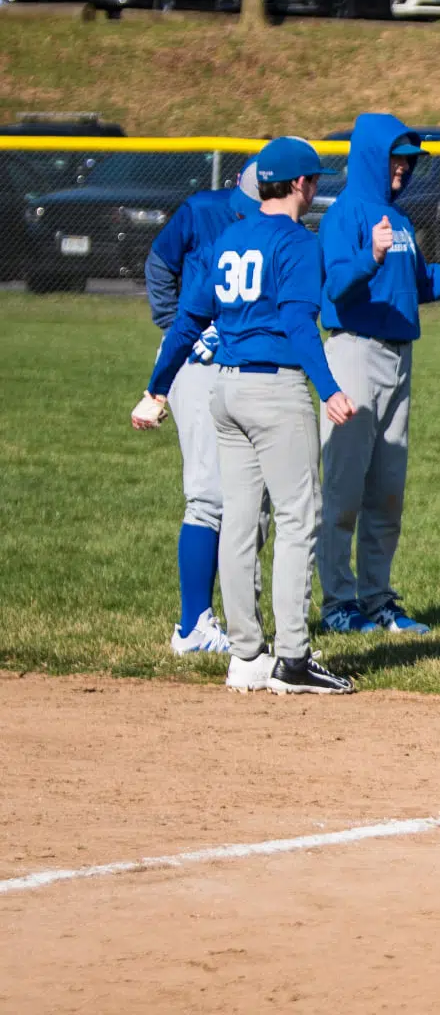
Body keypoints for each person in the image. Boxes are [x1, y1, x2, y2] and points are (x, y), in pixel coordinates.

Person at [133, 137, 358, 696]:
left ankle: (245, 655)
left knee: (238, 521)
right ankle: (293, 660)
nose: (316, 189)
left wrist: (156, 390)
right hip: (274, 390)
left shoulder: (231, 237)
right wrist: (328, 388)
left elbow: (187, 319)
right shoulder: (296, 243)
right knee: (297, 519)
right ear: (302, 185)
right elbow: (301, 326)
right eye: (315, 181)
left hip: (225, 393)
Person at [316, 113, 440, 635]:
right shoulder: (346, 214)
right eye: (396, 158)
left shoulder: (398, 221)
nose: (403, 168)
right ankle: (338, 604)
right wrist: (370, 256)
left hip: (399, 356)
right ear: (372, 157)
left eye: (409, 160)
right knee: (342, 490)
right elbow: (335, 286)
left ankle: (377, 599)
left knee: (386, 491)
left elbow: (423, 283)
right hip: (355, 352)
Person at [142, 161, 259, 656]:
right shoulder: (203, 209)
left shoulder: (282, 225)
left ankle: (239, 622)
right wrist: (176, 329)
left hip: (247, 364)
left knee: (253, 500)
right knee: (210, 494)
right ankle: (192, 626)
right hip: (196, 361)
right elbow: (159, 262)